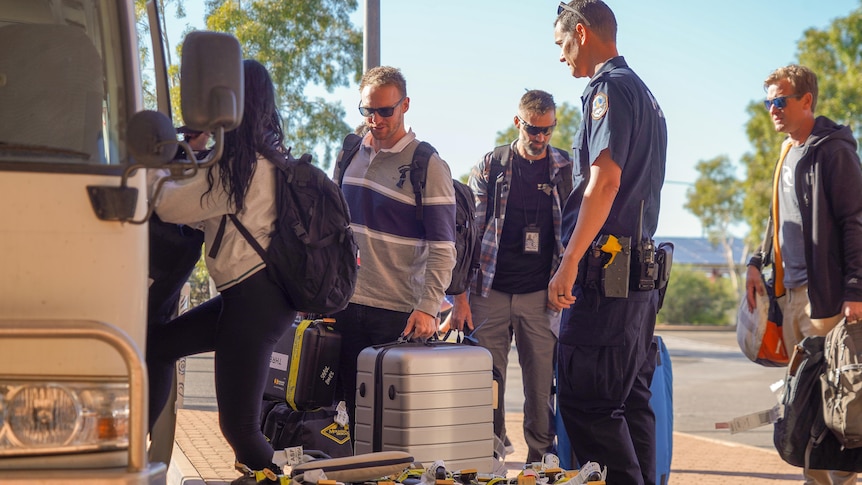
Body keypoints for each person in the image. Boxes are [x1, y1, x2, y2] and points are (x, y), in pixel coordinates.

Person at [147, 59, 296, 485]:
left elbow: (170, 206)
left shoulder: (239, 168)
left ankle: (278, 477)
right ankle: (135, 441)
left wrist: (168, 156)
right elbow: (201, 214)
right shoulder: (260, 158)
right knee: (158, 345)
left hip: (254, 305)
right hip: (252, 300)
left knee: (240, 430)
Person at [549, 2, 667, 484]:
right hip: (638, 284)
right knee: (630, 405)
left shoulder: (608, 89)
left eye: (562, 44)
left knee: (590, 406)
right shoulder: (644, 93)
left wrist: (570, 259)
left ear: (581, 32)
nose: (561, 56)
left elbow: (604, 183)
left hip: (607, 280)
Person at [746, 64, 862, 485]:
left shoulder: (833, 150)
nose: (773, 109)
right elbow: (776, 217)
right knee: (801, 403)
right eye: (768, 102)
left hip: (826, 297)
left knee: (837, 401)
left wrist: (854, 289)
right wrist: (755, 263)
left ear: (806, 100)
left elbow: (855, 221)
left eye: (780, 100)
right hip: (790, 294)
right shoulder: (787, 152)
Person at [331, 65, 456, 436]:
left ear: (405, 106)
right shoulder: (350, 152)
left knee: (393, 427)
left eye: (386, 110)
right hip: (343, 306)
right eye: (368, 110)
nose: (376, 119)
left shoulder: (427, 164)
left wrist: (428, 306)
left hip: (398, 316)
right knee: (343, 422)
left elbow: (442, 247)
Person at [448, 89, 571, 463]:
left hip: (541, 295)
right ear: (519, 123)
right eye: (534, 129)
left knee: (539, 385)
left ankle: (541, 456)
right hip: (490, 291)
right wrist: (461, 296)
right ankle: (491, 454)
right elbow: (468, 233)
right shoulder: (492, 166)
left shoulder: (565, 168)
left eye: (548, 130)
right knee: (489, 380)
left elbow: (574, 231)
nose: (540, 138)